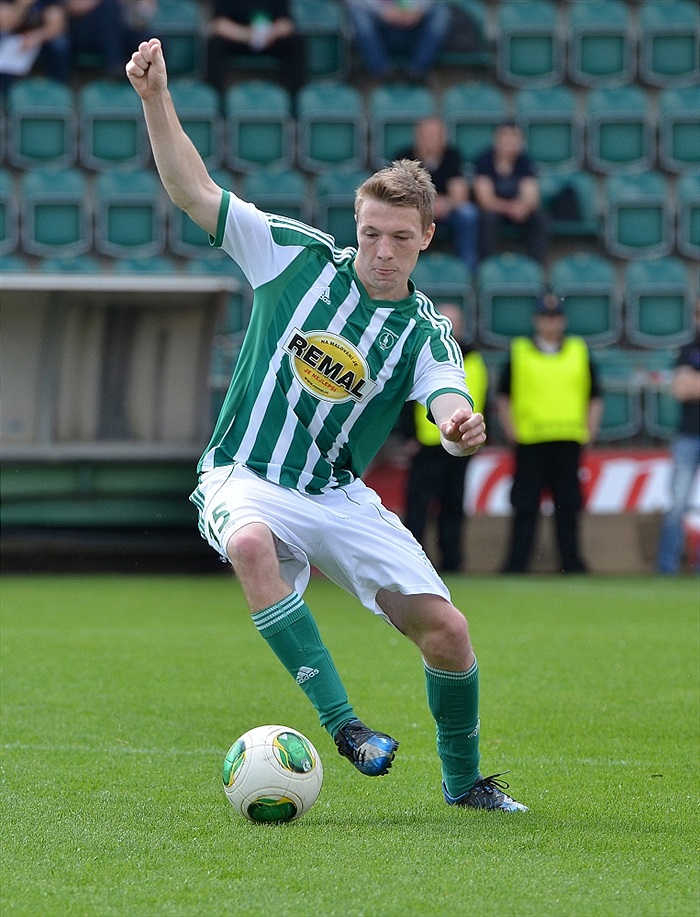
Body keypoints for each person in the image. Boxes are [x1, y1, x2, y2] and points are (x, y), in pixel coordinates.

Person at [126, 37, 528, 813]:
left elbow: (446, 397)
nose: (382, 250)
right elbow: (193, 190)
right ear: (356, 223)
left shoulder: (423, 330)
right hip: (242, 471)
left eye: (400, 238)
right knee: (248, 542)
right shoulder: (293, 258)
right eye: (372, 232)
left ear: (426, 239)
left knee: (447, 633)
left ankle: (465, 784)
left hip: (335, 494)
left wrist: (458, 428)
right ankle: (345, 729)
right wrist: (155, 100)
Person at [496, 294, 603, 574]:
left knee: (568, 506)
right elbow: (504, 396)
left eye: (555, 318)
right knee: (525, 505)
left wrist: (590, 431)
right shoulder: (519, 351)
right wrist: (511, 431)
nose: (550, 323)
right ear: (536, 320)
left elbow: (594, 395)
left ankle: (571, 563)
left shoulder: (579, 350)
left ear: (563, 320)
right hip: (530, 439)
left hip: (567, 438)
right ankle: (517, 564)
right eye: (545, 317)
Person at [402, 303, 488, 572]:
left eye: (455, 322)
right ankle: (413, 562)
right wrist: (408, 435)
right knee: (418, 506)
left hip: (459, 445)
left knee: (453, 504)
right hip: (426, 443)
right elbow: (403, 397)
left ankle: (452, 561)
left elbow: (483, 397)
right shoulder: (422, 353)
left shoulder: (474, 358)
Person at [395, 116, 479, 274]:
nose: (430, 141)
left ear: (443, 139)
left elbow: (459, 193)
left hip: (447, 211)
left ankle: (467, 270)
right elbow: (400, 194)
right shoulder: (404, 157)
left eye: (435, 136)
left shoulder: (452, 156)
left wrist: (444, 204)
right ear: (417, 137)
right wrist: (428, 205)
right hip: (416, 212)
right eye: (426, 136)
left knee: (468, 213)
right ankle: (406, 267)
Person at [656, 302, 700, 575]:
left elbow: (688, 385)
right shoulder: (687, 350)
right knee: (678, 504)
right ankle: (667, 568)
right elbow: (680, 389)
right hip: (689, 435)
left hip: (688, 435)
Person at [473, 120, 549, 266]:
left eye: (513, 138)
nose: (509, 142)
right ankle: (487, 266)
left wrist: (523, 207)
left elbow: (532, 196)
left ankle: (536, 267)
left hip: (518, 210)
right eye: (505, 137)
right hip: (495, 210)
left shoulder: (525, 161)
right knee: (488, 218)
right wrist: (509, 208)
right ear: (496, 139)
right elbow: (485, 199)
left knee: (540, 217)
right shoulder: (484, 160)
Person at [205, 0, 305, 98]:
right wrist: (246, 35)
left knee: (295, 42)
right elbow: (219, 24)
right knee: (215, 44)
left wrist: (271, 34)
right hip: (237, 41)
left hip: (270, 41)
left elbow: (286, 23)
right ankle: (215, 98)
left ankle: (297, 97)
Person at [344, 0, 451, 83]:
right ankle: (382, 72)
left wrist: (418, 11)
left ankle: (417, 71)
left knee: (442, 13)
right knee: (359, 15)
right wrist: (383, 12)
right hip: (381, 31)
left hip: (414, 29)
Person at [0, 0, 68, 90]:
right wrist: (22, 5)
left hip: (42, 38)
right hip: (14, 39)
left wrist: (36, 37)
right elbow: (6, 25)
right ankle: (6, 92)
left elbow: (56, 26)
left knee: (60, 44)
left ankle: (57, 89)